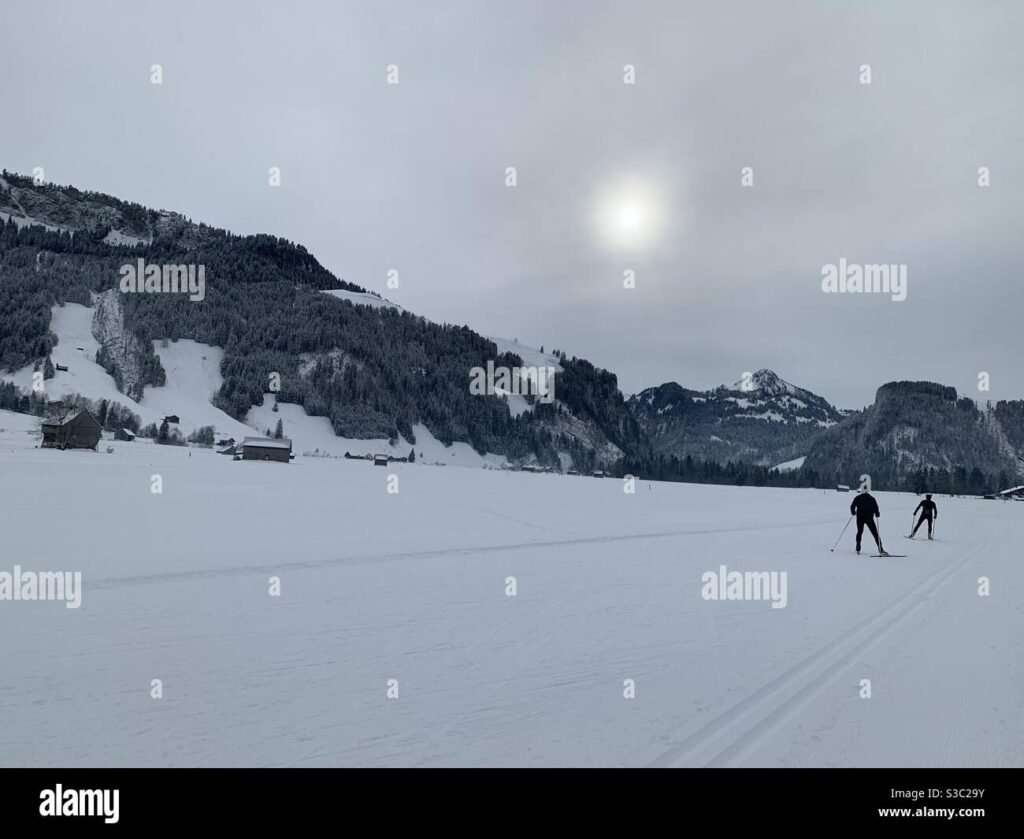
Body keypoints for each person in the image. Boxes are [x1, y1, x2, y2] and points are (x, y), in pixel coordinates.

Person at [851, 488, 886, 556]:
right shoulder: (871, 498)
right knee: (875, 533)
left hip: (861, 518)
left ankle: (858, 547)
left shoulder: (858, 498)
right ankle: (880, 549)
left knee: (860, 532)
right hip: (869, 518)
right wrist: (877, 513)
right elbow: (876, 507)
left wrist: (853, 512)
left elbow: (853, 506)